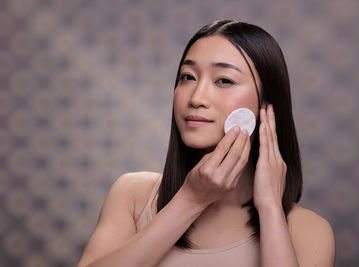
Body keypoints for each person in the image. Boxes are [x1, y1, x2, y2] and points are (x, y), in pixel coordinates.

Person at [77, 20, 335, 267]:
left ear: (267, 106)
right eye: (187, 77)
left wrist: (269, 208)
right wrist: (190, 200)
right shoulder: (133, 195)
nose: (197, 97)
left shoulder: (307, 229)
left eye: (224, 80)